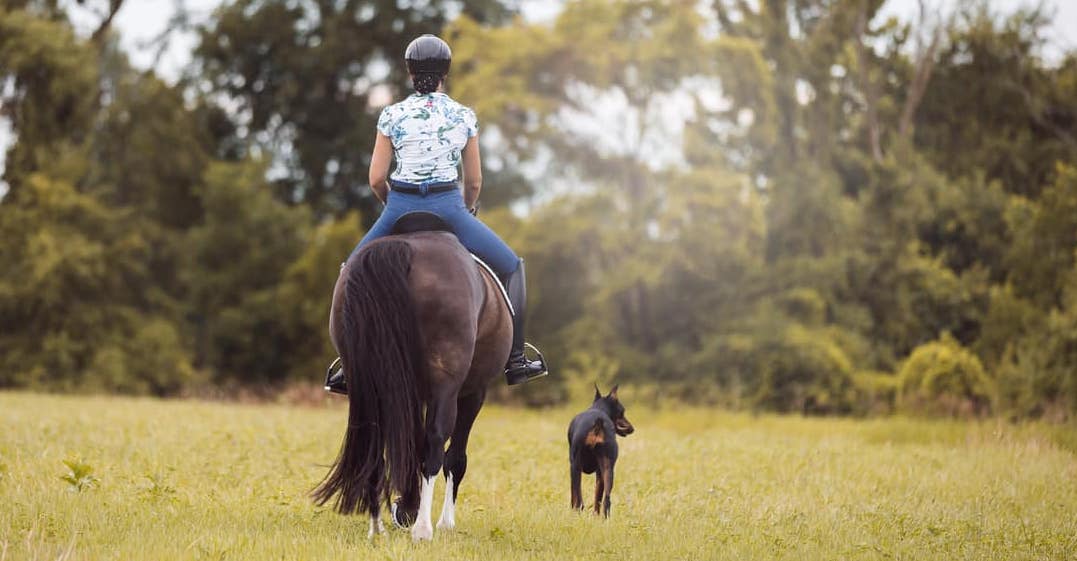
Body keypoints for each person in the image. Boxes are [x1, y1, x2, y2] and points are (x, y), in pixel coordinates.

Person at [325, 34, 547, 393]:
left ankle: (348, 367)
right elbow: (473, 181)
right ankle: (517, 358)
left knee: (350, 272)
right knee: (512, 266)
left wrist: (392, 204)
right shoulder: (463, 116)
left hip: (399, 206)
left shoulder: (391, 115)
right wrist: (468, 209)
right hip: (450, 208)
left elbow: (376, 178)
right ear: (446, 72)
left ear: (409, 71)